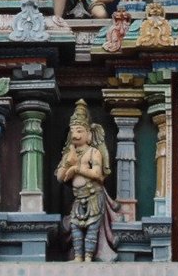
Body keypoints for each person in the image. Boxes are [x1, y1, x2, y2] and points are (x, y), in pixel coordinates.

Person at [56, 99, 115, 261]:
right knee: (75, 227)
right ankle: (78, 257)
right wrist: (68, 163)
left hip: (93, 196)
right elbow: (60, 178)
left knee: (91, 228)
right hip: (78, 197)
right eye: (73, 131)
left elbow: (97, 174)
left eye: (80, 131)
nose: (75, 135)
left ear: (88, 134)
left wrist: (76, 169)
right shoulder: (69, 154)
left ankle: (89, 256)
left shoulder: (93, 152)